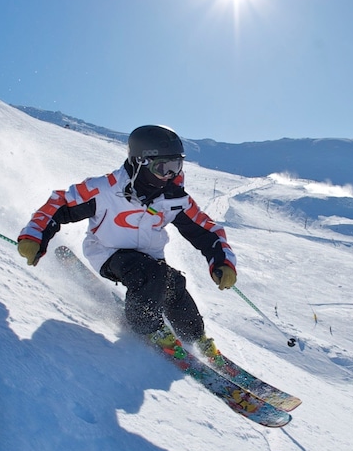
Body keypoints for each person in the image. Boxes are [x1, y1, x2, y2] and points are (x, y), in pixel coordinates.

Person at [16, 125, 236, 359]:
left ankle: (196, 337)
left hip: (151, 259)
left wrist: (222, 261)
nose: (170, 175)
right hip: (107, 252)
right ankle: (147, 328)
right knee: (149, 273)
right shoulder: (105, 190)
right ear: (140, 162)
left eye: (176, 166)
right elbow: (59, 204)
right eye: (163, 167)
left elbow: (207, 231)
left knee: (174, 284)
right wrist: (35, 236)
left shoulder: (175, 199)